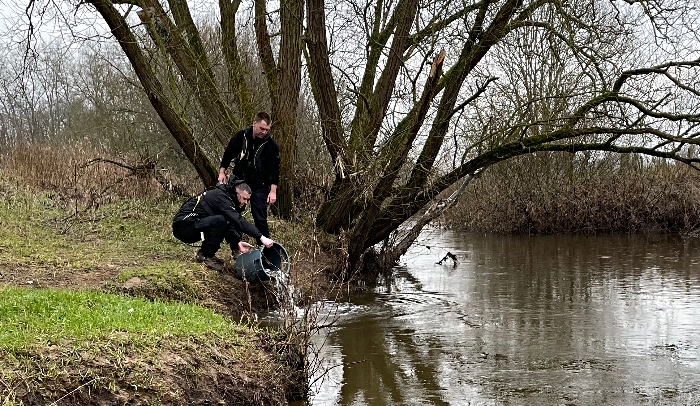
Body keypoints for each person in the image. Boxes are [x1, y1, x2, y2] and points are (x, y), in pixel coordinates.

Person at [172, 178, 274, 272]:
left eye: (248, 200)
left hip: (196, 224)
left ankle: (207, 253)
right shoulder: (221, 197)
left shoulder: (228, 199)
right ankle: (206, 255)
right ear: (236, 192)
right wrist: (261, 237)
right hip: (184, 227)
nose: (246, 203)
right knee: (220, 221)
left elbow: (231, 224)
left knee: (222, 221)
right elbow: (238, 221)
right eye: (244, 198)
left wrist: (237, 242)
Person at [218, 112, 280, 239]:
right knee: (233, 215)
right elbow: (228, 153)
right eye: (261, 128)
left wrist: (273, 191)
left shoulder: (271, 146)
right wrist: (222, 172)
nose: (264, 132)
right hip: (239, 182)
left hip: (260, 186)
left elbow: (275, 170)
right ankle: (236, 247)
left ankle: (265, 251)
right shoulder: (240, 137)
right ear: (254, 124)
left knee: (260, 219)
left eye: (266, 130)